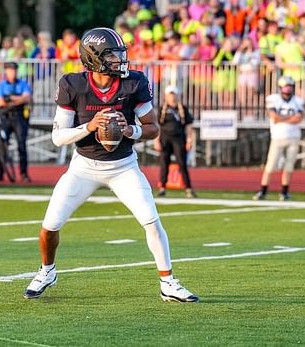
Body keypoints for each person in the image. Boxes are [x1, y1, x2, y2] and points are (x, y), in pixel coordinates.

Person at [23, 27, 198, 303]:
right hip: (83, 166)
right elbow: (58, 138)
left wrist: (129, 130)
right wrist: (90, 126)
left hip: (123, 166)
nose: (119, 60)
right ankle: (47, 271)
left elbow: (152, 128)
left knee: (151, 221)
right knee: (49, 226)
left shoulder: (133, 83)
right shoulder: (73, 85)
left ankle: (168, 282)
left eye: (119, 54)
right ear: (94, 58)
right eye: (112, 55)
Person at [254, 76, 305, 201]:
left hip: (293, 137)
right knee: (270, 165)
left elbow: (298, 118)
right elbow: (274, 118)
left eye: (289, 86)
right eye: (285, 86)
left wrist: (282, 118)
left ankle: (284, 191)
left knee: (289, 166)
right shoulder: (274, 99)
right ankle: (263, 190)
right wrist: (289, 119)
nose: (288, 89)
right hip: (277, 137)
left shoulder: (298, 100)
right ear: (281, 87)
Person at [155, 85, 196, 198]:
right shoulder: (162, 109)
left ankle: (188, 188)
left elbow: (188, 126)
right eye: (170, 94)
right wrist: (156, 140)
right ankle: (162, 187)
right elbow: (157, 126)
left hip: (179, 139)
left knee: (182, 163)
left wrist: (189, 140)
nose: (172, 97)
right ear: (166, 96)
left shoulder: (182, 108)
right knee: (164, 163)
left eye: (174, 94)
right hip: (165, 138)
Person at [0, 62, 32, 183]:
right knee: (2, 144)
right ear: (6, 71)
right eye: (10, 70)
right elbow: (0, 102)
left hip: (19, 117)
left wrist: (10, 98)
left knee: (22, 145)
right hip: (5, 117)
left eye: (14, 70)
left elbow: (27, 98)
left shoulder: (23, 83)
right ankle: (0, 173)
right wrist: (19, 99)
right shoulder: (1, 85)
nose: (13, 72)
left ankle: (24, 173)